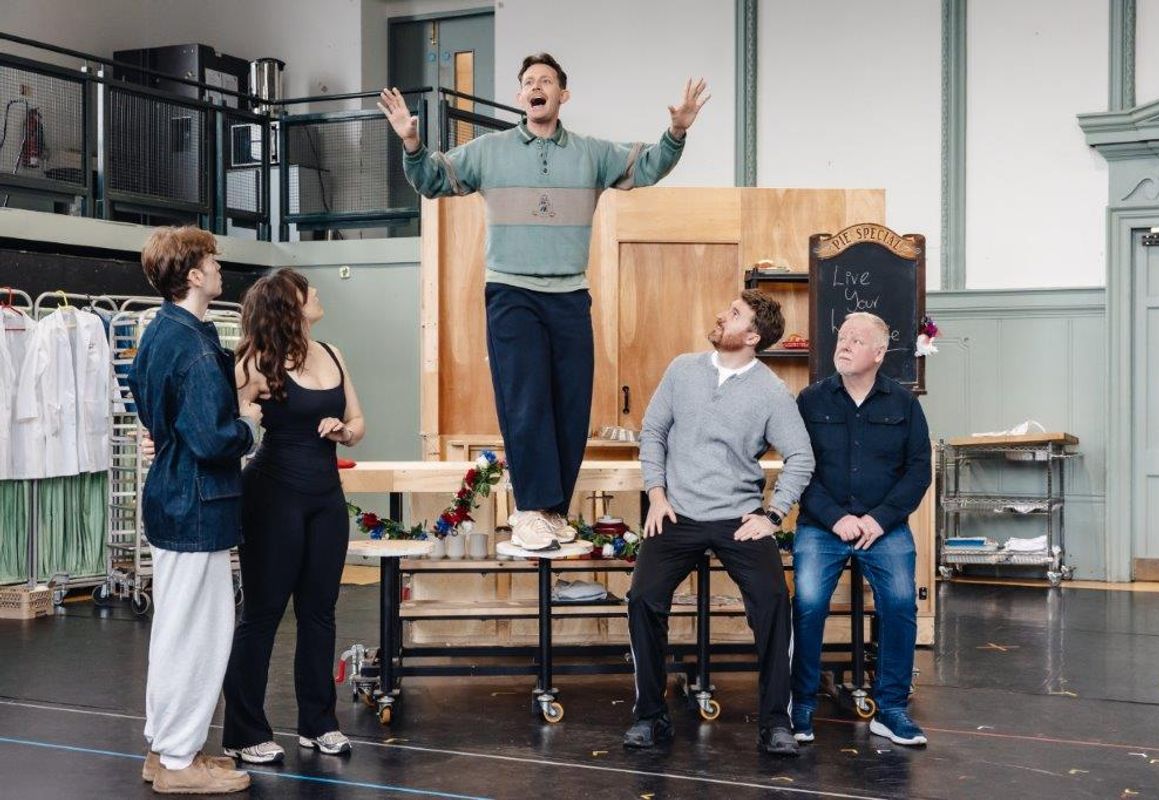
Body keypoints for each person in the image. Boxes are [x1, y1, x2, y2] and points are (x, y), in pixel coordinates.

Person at [380, 52, 708, 550]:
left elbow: (645, 167)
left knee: (571, 405)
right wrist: (411, 141)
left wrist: (676, 133)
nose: (537, 86)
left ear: (562, 95)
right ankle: (529, 509)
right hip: (512, 290)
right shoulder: (488, 151)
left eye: (547, 81)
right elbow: (433, 179)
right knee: (527, 398)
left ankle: (553, 510)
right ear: (520, 97)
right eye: (529, 81)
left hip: (570, 292)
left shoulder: (590, 153)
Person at [624, 290, 814, 756]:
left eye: (733, 315)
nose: (720, 316)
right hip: (677, 511)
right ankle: (651, 717)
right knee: (642, 598)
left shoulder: (771, 392)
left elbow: (801, 457)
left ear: (752, 336)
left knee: (772, 602)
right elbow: (653, 431)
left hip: (738, 518)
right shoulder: (682, 369)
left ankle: (775, 722)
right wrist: (656, 493)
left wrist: (771, 515)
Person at [128, 226, 259, 794]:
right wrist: (249, 427)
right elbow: (212, 439)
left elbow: (140, 390)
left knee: (175, 630)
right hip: (199, 504)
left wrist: (164, 434)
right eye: (212, 260)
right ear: (194, 275)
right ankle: (179, 761)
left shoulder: (161, 331)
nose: (219, 268)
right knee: (200, 634)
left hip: (171, 498)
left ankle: (166, 751)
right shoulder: (198, 347)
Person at [220, 269, 366, 763]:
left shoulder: (333, 352)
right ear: (289, 303)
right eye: (309, 290)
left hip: (326, 497)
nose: (318, 293)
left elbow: (359, 421)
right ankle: (243, 731)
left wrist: (344, 432)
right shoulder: (252, 362)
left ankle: (318, 723)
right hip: (272, 495)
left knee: (320, 612)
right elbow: (226, 425)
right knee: (263, 613)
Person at [790, 312, 931, 746]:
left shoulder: (904, 403)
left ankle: (890, 710)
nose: (844, 345)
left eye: (856, 339)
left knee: (901, 604)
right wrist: (836, 517)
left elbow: (919, 470)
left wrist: (878, 519)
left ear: (879, 353)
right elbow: (800, 469)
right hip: (823, 524)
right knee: (810, 603)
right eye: (841, 337)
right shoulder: (810, 401)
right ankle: (801, 707)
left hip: (882, 527)